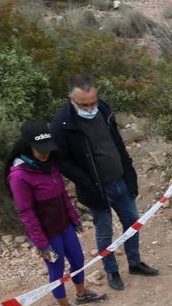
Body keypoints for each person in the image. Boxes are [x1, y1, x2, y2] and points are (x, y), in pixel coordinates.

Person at [50, 74, 158, 291]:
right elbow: (60, 160)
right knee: (104, 230)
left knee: (133, 222)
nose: (90, 109)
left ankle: (135, 263)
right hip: (96, 189)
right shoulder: (61, 124)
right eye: (84, 105)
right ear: (70, 98)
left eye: (93, 103)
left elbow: (116, 141)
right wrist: (85, 180)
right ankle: (112, 271)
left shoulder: (104, 109)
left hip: (121, 179)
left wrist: (129, 172)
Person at [7, 120, 106, 306]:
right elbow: (26, 212)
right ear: (28, 146)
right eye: (41, 150)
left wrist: (74, 219)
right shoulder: (19, 176)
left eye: (48, 149)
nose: (46, 154)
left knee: (78, 259)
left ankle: (82, 294)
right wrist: (41, 243)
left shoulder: (50, 165)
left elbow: (62, 195)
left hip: (64, 226)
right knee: (56, 269)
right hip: (47, 234)